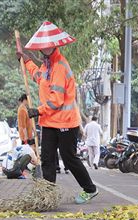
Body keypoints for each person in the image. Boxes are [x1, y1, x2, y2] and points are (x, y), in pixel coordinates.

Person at [16, 21, 98, 204]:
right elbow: (39, 78)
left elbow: (57, 100)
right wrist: (27, 60)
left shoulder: (60, 66)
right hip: (49, 122)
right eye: (42, 47)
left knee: (69, 159)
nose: (44, 49)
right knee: (47, 159)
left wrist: (37, 111)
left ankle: (90, 189)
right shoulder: (47, 65)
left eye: (47, 46)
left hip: (66, 123)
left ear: (54, 46)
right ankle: (48, 194)